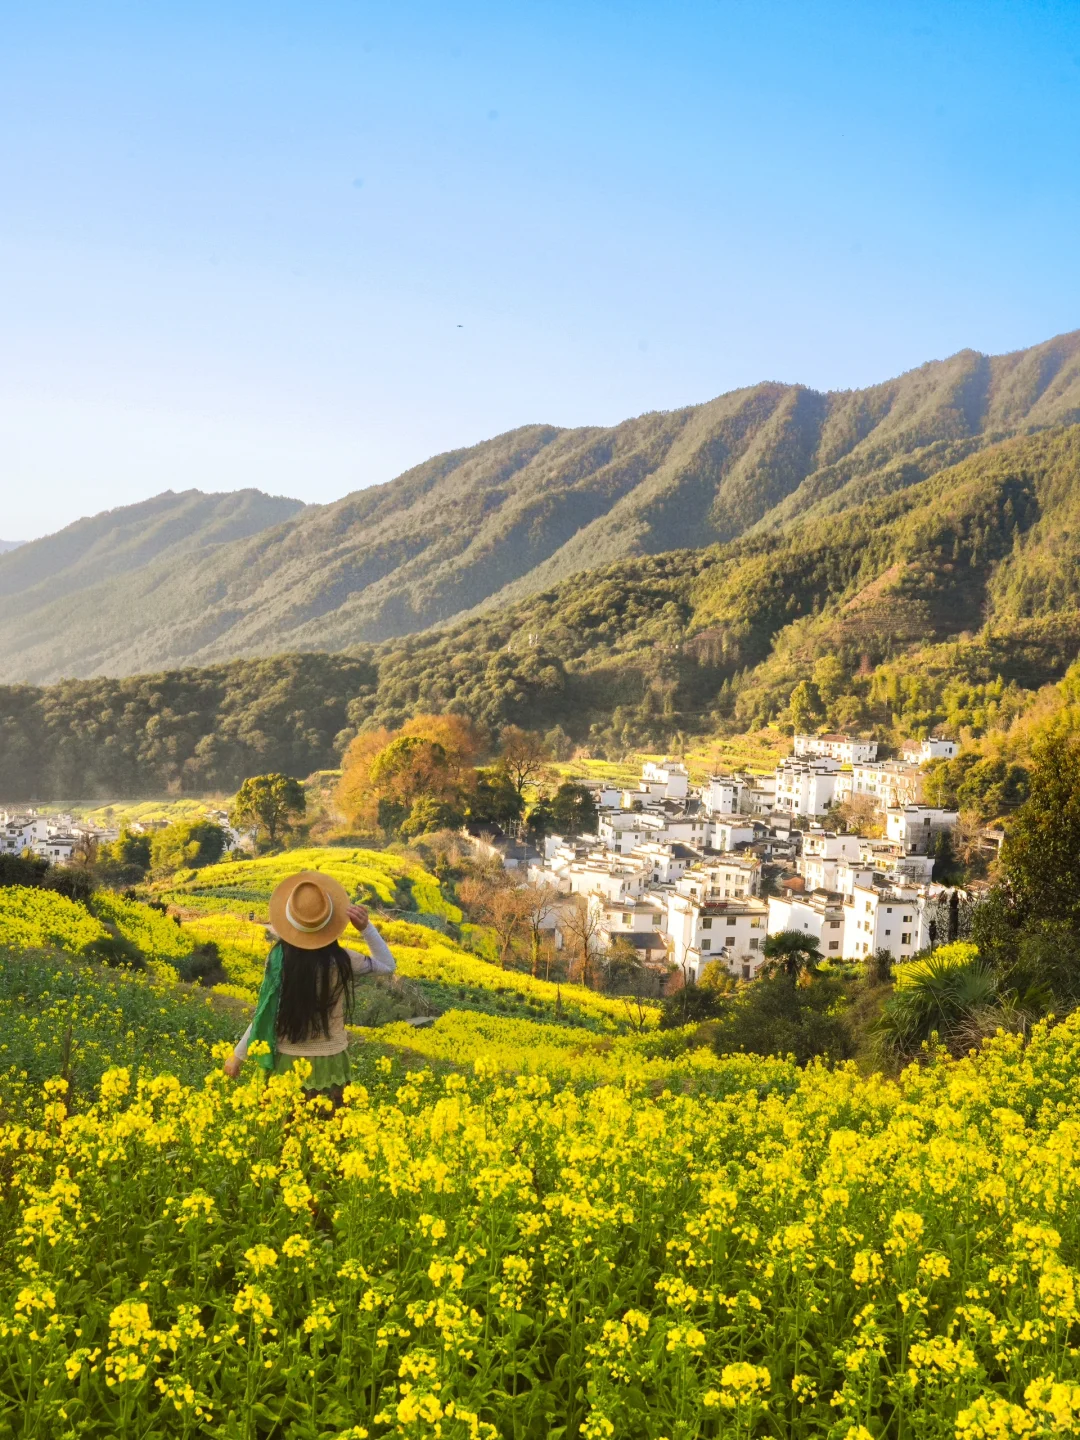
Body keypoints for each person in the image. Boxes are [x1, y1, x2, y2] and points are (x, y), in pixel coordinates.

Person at [223, 870, 395, 1104]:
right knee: (327, 1136)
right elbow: (387, 965)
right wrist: (366, 928)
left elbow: (267, 1011)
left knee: (283, 1135)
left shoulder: (279, 959)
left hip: (286, 1063)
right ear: (329, 921)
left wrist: (238, 1055)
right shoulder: (341, 959)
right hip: (331, 1063)